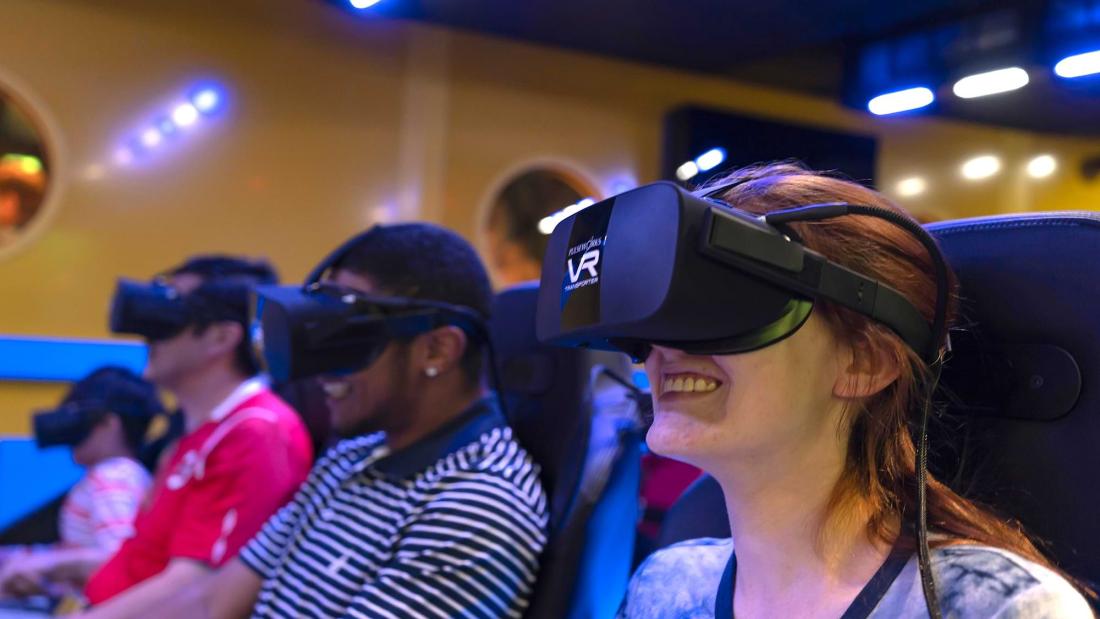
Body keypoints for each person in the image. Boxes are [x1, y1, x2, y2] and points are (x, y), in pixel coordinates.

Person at [607, 164, 1094, 617]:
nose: (663, 346)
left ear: (866, 361)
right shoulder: (665, 588)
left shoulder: (997, 607)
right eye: (666, 314)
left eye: (722, 308)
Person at [148, 223, 548, 619]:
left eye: (350, 339)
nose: (323, 370)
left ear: (437, 351)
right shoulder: (353, 457)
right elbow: (211, 603)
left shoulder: (474, 509)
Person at [79, 256, 313, 615]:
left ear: (221, 337)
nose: (149, 334)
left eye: (170, 316)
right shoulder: (198, 433)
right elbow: (147, 561)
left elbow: (196, 588)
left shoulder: (255, 432)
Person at [0, 367, 160, 599]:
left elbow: (121, 562)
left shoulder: (114, 477)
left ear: (109, 424)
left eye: (79, 418)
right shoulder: (122, 475)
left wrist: (48, 564)